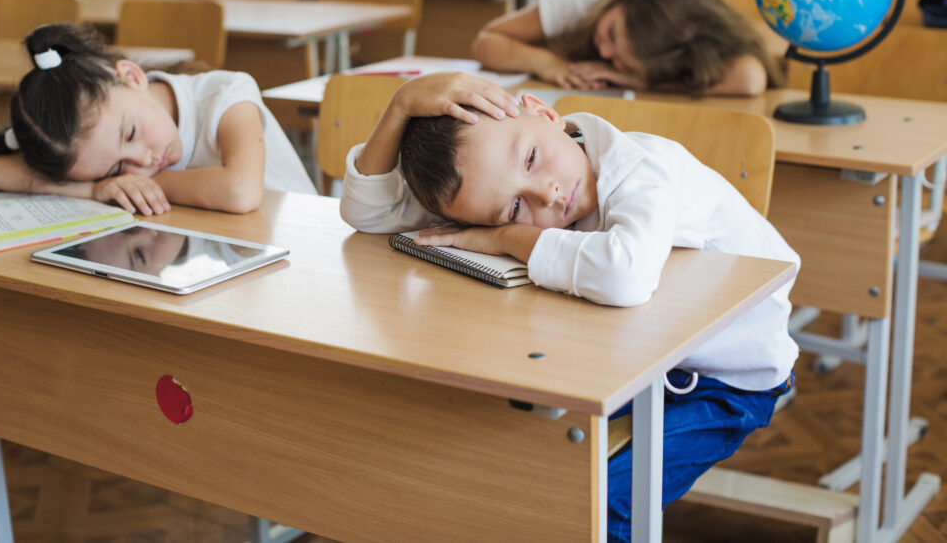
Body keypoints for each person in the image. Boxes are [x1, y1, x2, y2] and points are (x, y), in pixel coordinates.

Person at [339, 72, 799, 542]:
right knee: (487, 474)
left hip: (719, 382)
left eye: (533, 159)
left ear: (544, 112)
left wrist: (504, 235)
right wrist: (400, 106)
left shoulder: (641, 167)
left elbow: (625, 275)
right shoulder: (489, 183)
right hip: (621, 364)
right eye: (515, 208)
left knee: (593, 511)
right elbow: (368, 215)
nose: (548, 195)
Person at [0, 23, 316, 214]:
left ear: (132, 77)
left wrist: (144, 182)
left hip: (308, 254)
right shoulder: (92, 150)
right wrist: (94, 190)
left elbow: (239, 192)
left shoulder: (225, 96)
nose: (141, 162)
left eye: (130, 133)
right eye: (116, 167)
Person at [471, 0, 780, 96]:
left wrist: (641, 80)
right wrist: (547, 63)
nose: (604, 53)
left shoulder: (686, 40)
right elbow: (486, 41)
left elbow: (750, 78)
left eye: (623, 62)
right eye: (611, 33)